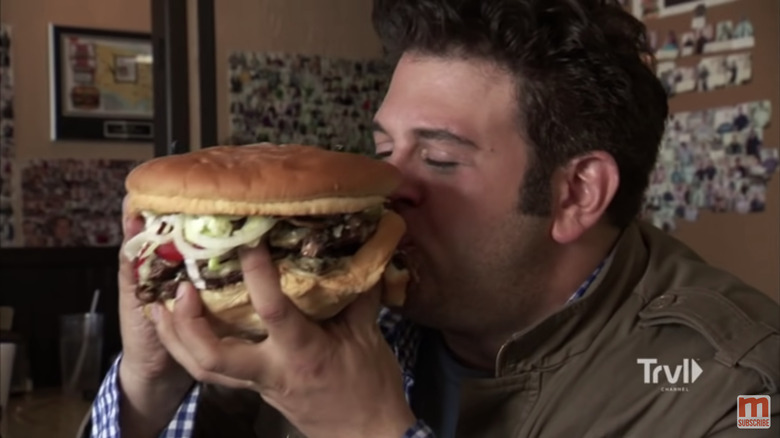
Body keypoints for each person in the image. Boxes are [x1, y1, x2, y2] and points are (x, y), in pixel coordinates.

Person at [92, 1, 779, 437]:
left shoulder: (736, 390)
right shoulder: (320, 306)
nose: (390, 185)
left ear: (578, 194)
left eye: (442, 159)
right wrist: (150, 389)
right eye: (386, 148)